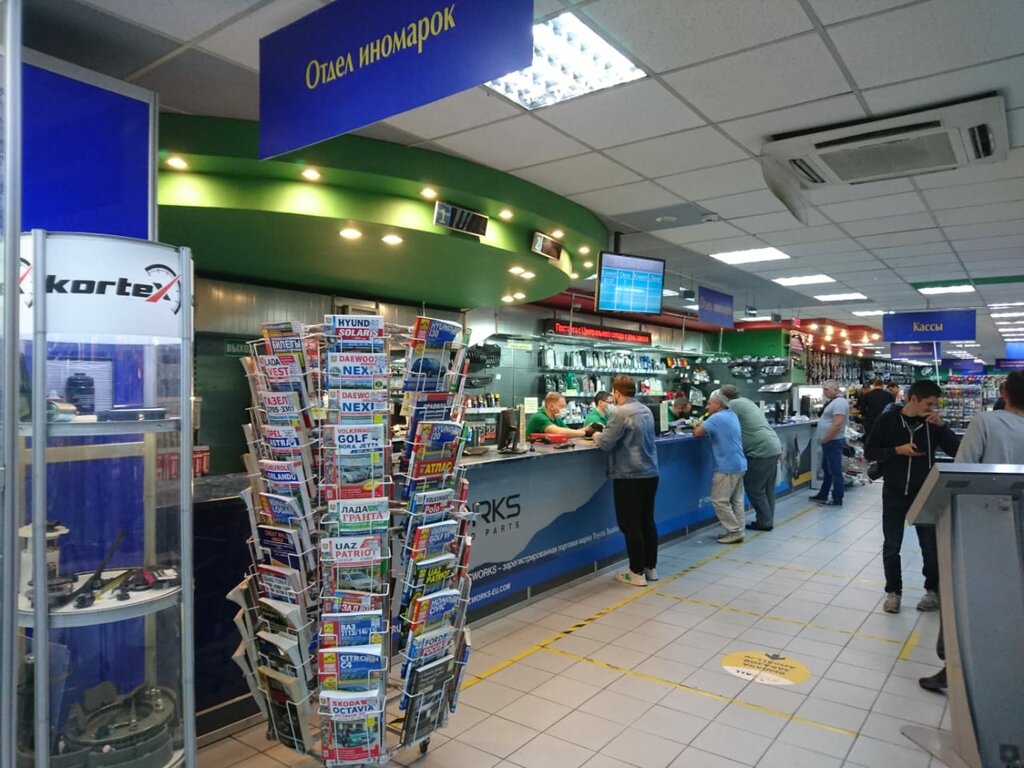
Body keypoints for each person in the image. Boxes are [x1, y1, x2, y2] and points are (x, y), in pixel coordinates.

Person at [919, 371, 1024, 692]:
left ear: (1003, 392)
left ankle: (953, 667)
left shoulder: (986, 423)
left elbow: (962, 471)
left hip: (982, 524)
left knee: (964, 597)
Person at [865, 380, 960, 615]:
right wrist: (897, 450)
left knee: (929, 546)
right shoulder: (888, 420)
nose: (931, 409)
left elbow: (957, 451)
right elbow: (870, 451)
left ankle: (932, 591)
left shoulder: (933, 425)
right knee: (892, 545)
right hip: (894, 492)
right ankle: (893, 592)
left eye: (934, 405)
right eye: (928, 404)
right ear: (913, 399)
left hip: (925, 492)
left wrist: (943, 426)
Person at [592, 375, 660, 586]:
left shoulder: (620, 412)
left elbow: (605, 443)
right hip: (650, 473)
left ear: (617, 392)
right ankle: (650, 568)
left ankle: (636, 572)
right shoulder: (645, 409)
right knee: (646, 521)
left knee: (630, 524)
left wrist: (595, 435)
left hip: (629, 475)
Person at [718, 385, 782, 532]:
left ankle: (764, 522)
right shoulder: (747, 401)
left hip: (760, 450)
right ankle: (767, 520)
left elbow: (720, 419)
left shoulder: (733, 405)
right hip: (772, 445)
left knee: (754, 487)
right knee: (767, 488)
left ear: (723, 397)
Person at [694, 392, 748, 544]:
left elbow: (697, 432)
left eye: (709, 403)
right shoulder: (732, 415)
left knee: (719, 501)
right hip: (739, 463)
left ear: (718, 405)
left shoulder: (716, 418)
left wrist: (697, 424)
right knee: (736, 501)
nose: (706, 407)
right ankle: (739, 530)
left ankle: (734, 531)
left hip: (727, 466)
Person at [810, 380, 848, 507]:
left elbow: (837, 424)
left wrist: (827, 438)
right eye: (823, 389)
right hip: (829, 441)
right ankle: (823, 493)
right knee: (827, 469)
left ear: (835, 390)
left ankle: (837, 498)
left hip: (833, 441)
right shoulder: (833, 402)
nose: (824, 392)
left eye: (826, 389)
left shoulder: (839, 403)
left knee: (835, 470)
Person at [525, 392, 596, 439]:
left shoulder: (556, 418)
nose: (564, 409)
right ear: (551, 406)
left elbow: (569, 432)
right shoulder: (539, 417)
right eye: (562, 406)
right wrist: (585, 433)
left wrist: (587, 428)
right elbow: (559, 432)